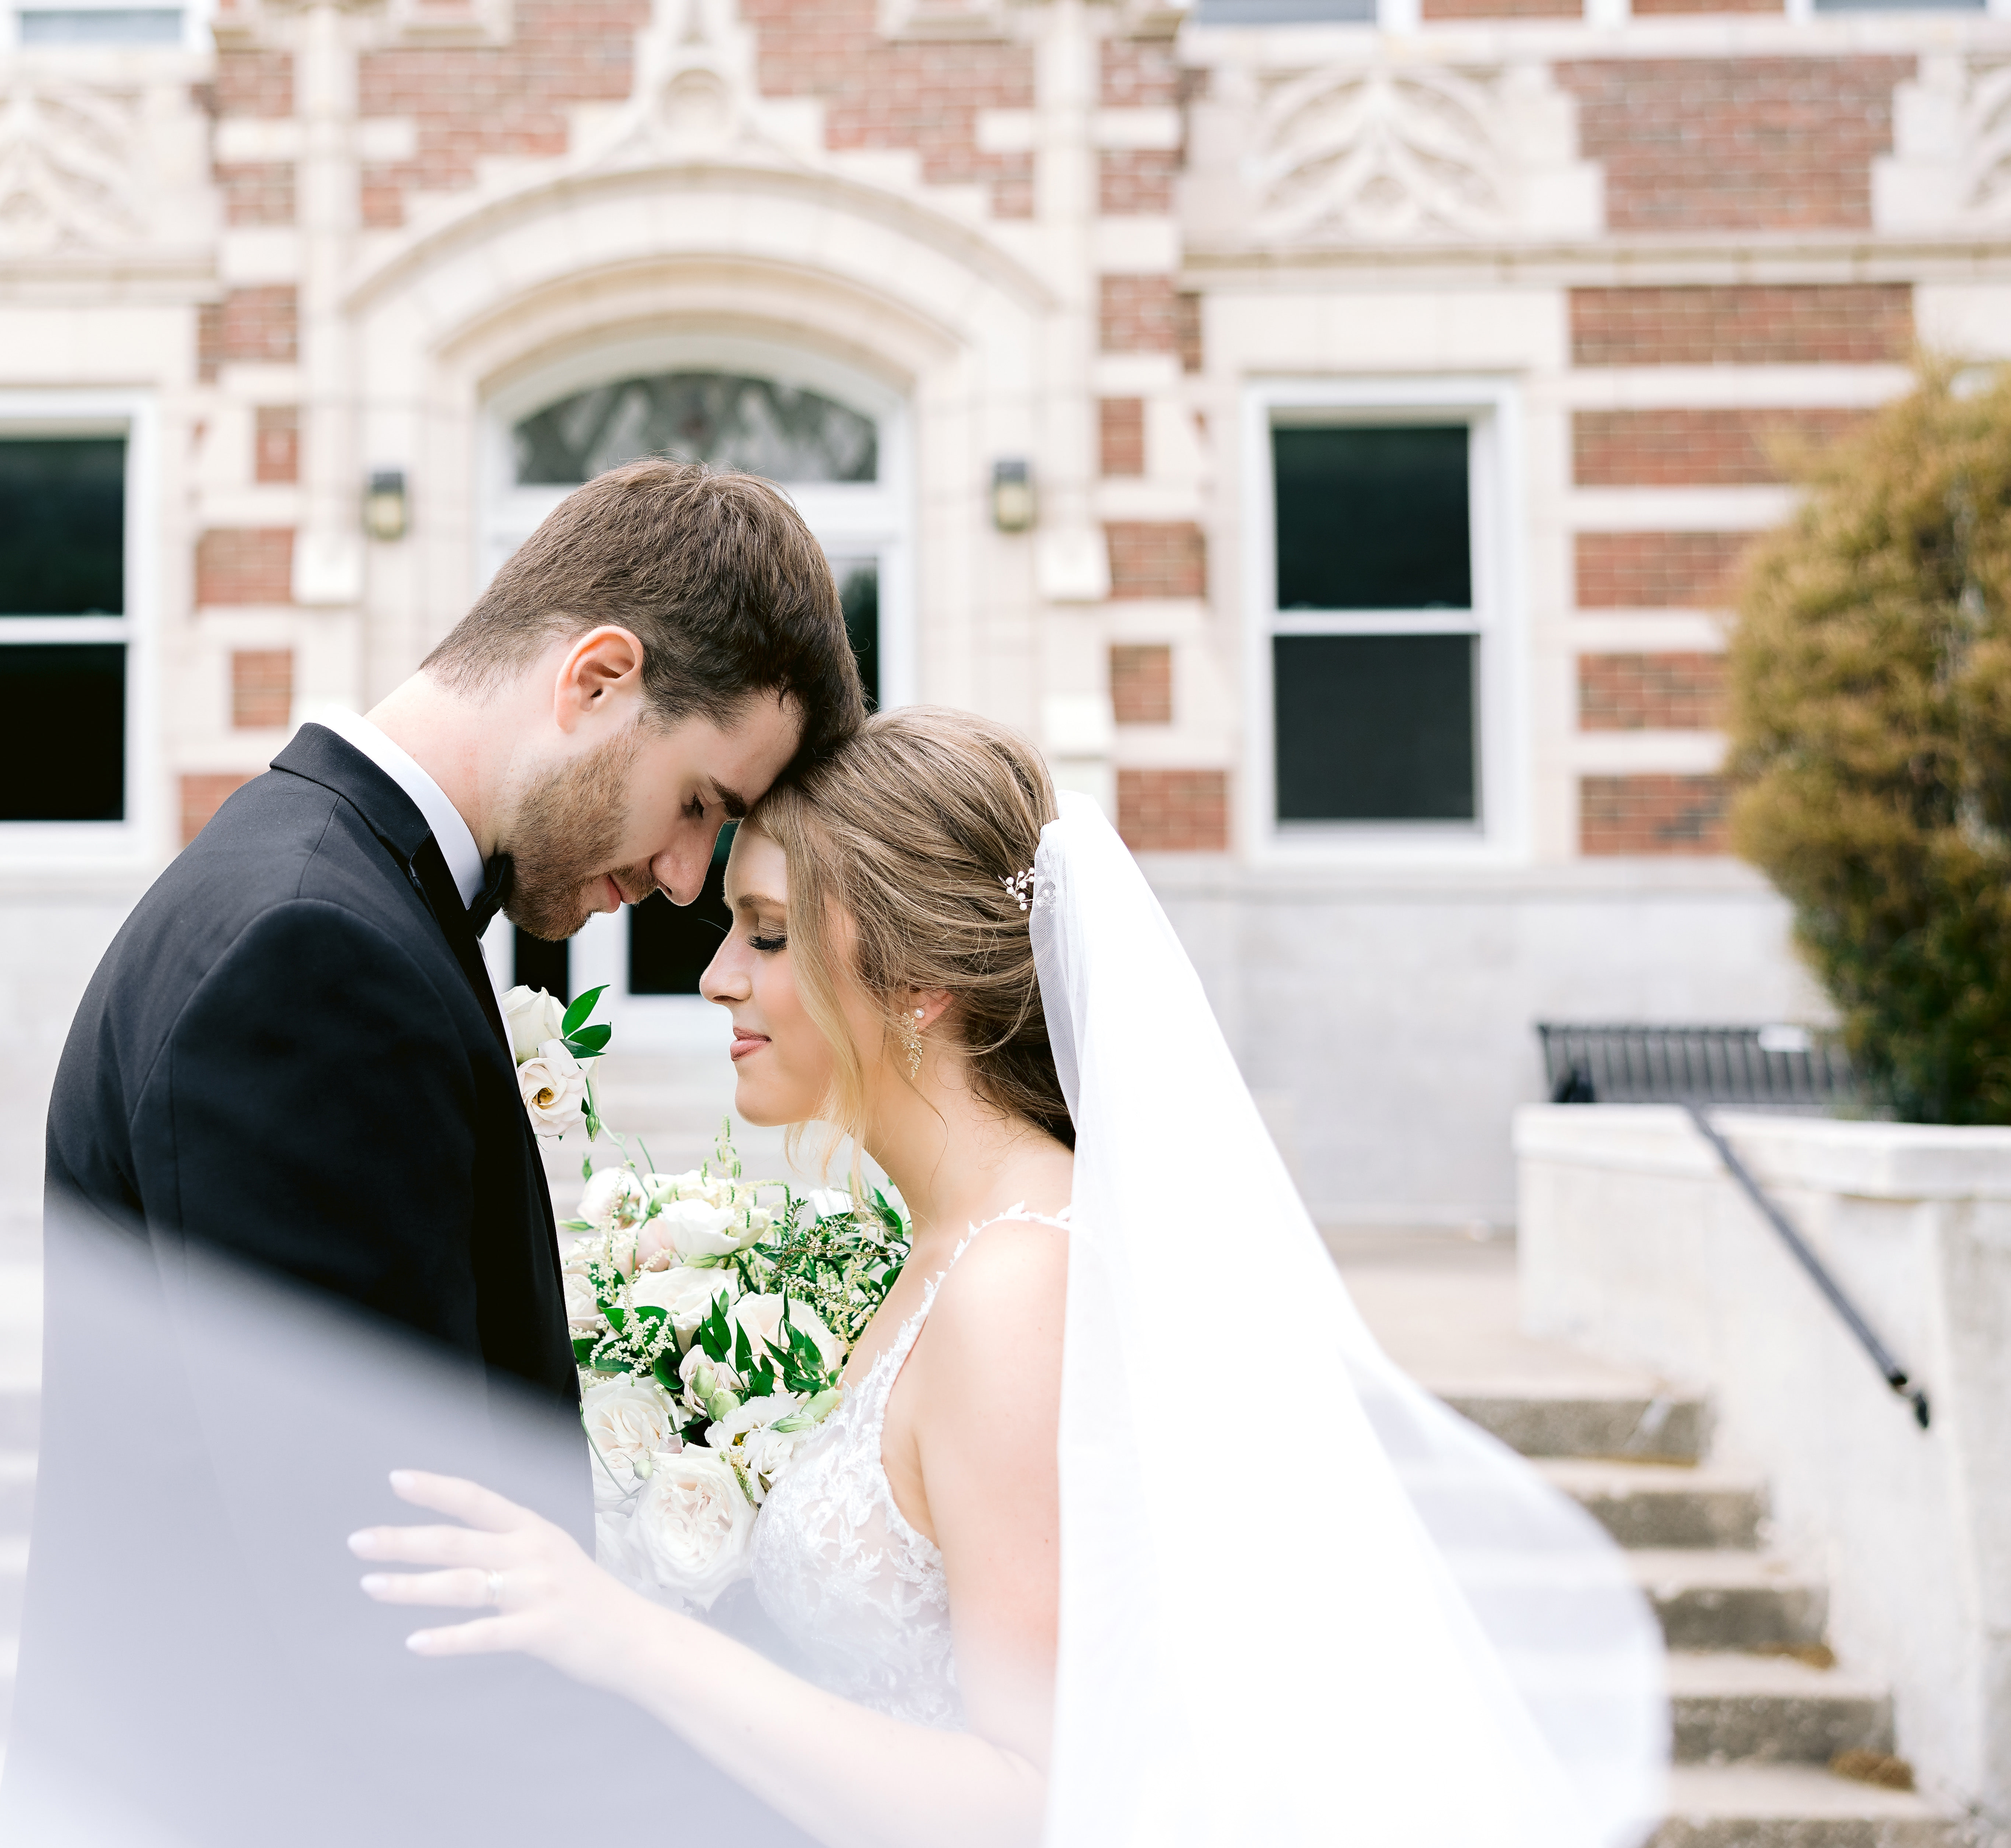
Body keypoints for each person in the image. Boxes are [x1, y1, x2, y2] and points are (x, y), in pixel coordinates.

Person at [349, 709, 1670, 1848]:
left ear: (914, 978)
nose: (711, 979)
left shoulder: (1015, 1291)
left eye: (763, 933)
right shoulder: (942, 1249)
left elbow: (1036, 1799)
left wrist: (629, 1638)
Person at [0, 458, 868, 1846]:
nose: (689, 883)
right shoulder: (314, 954)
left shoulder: (314, 889)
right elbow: (396, 1628)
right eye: (701, 803)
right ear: (596, 677)